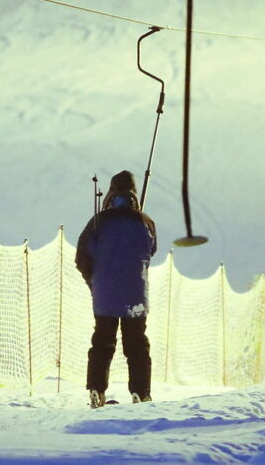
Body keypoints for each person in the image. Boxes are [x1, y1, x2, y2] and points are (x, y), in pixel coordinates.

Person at [75, 170, 157, 408]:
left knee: (102, 342)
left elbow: (82, 257)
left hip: (104, 295)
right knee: (137, 344)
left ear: (110, 193)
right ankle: (141, 393)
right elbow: (150, 251)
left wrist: (94, 282)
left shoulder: (98, 222)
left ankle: (97, 391)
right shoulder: (146, 222)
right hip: (136, 295)